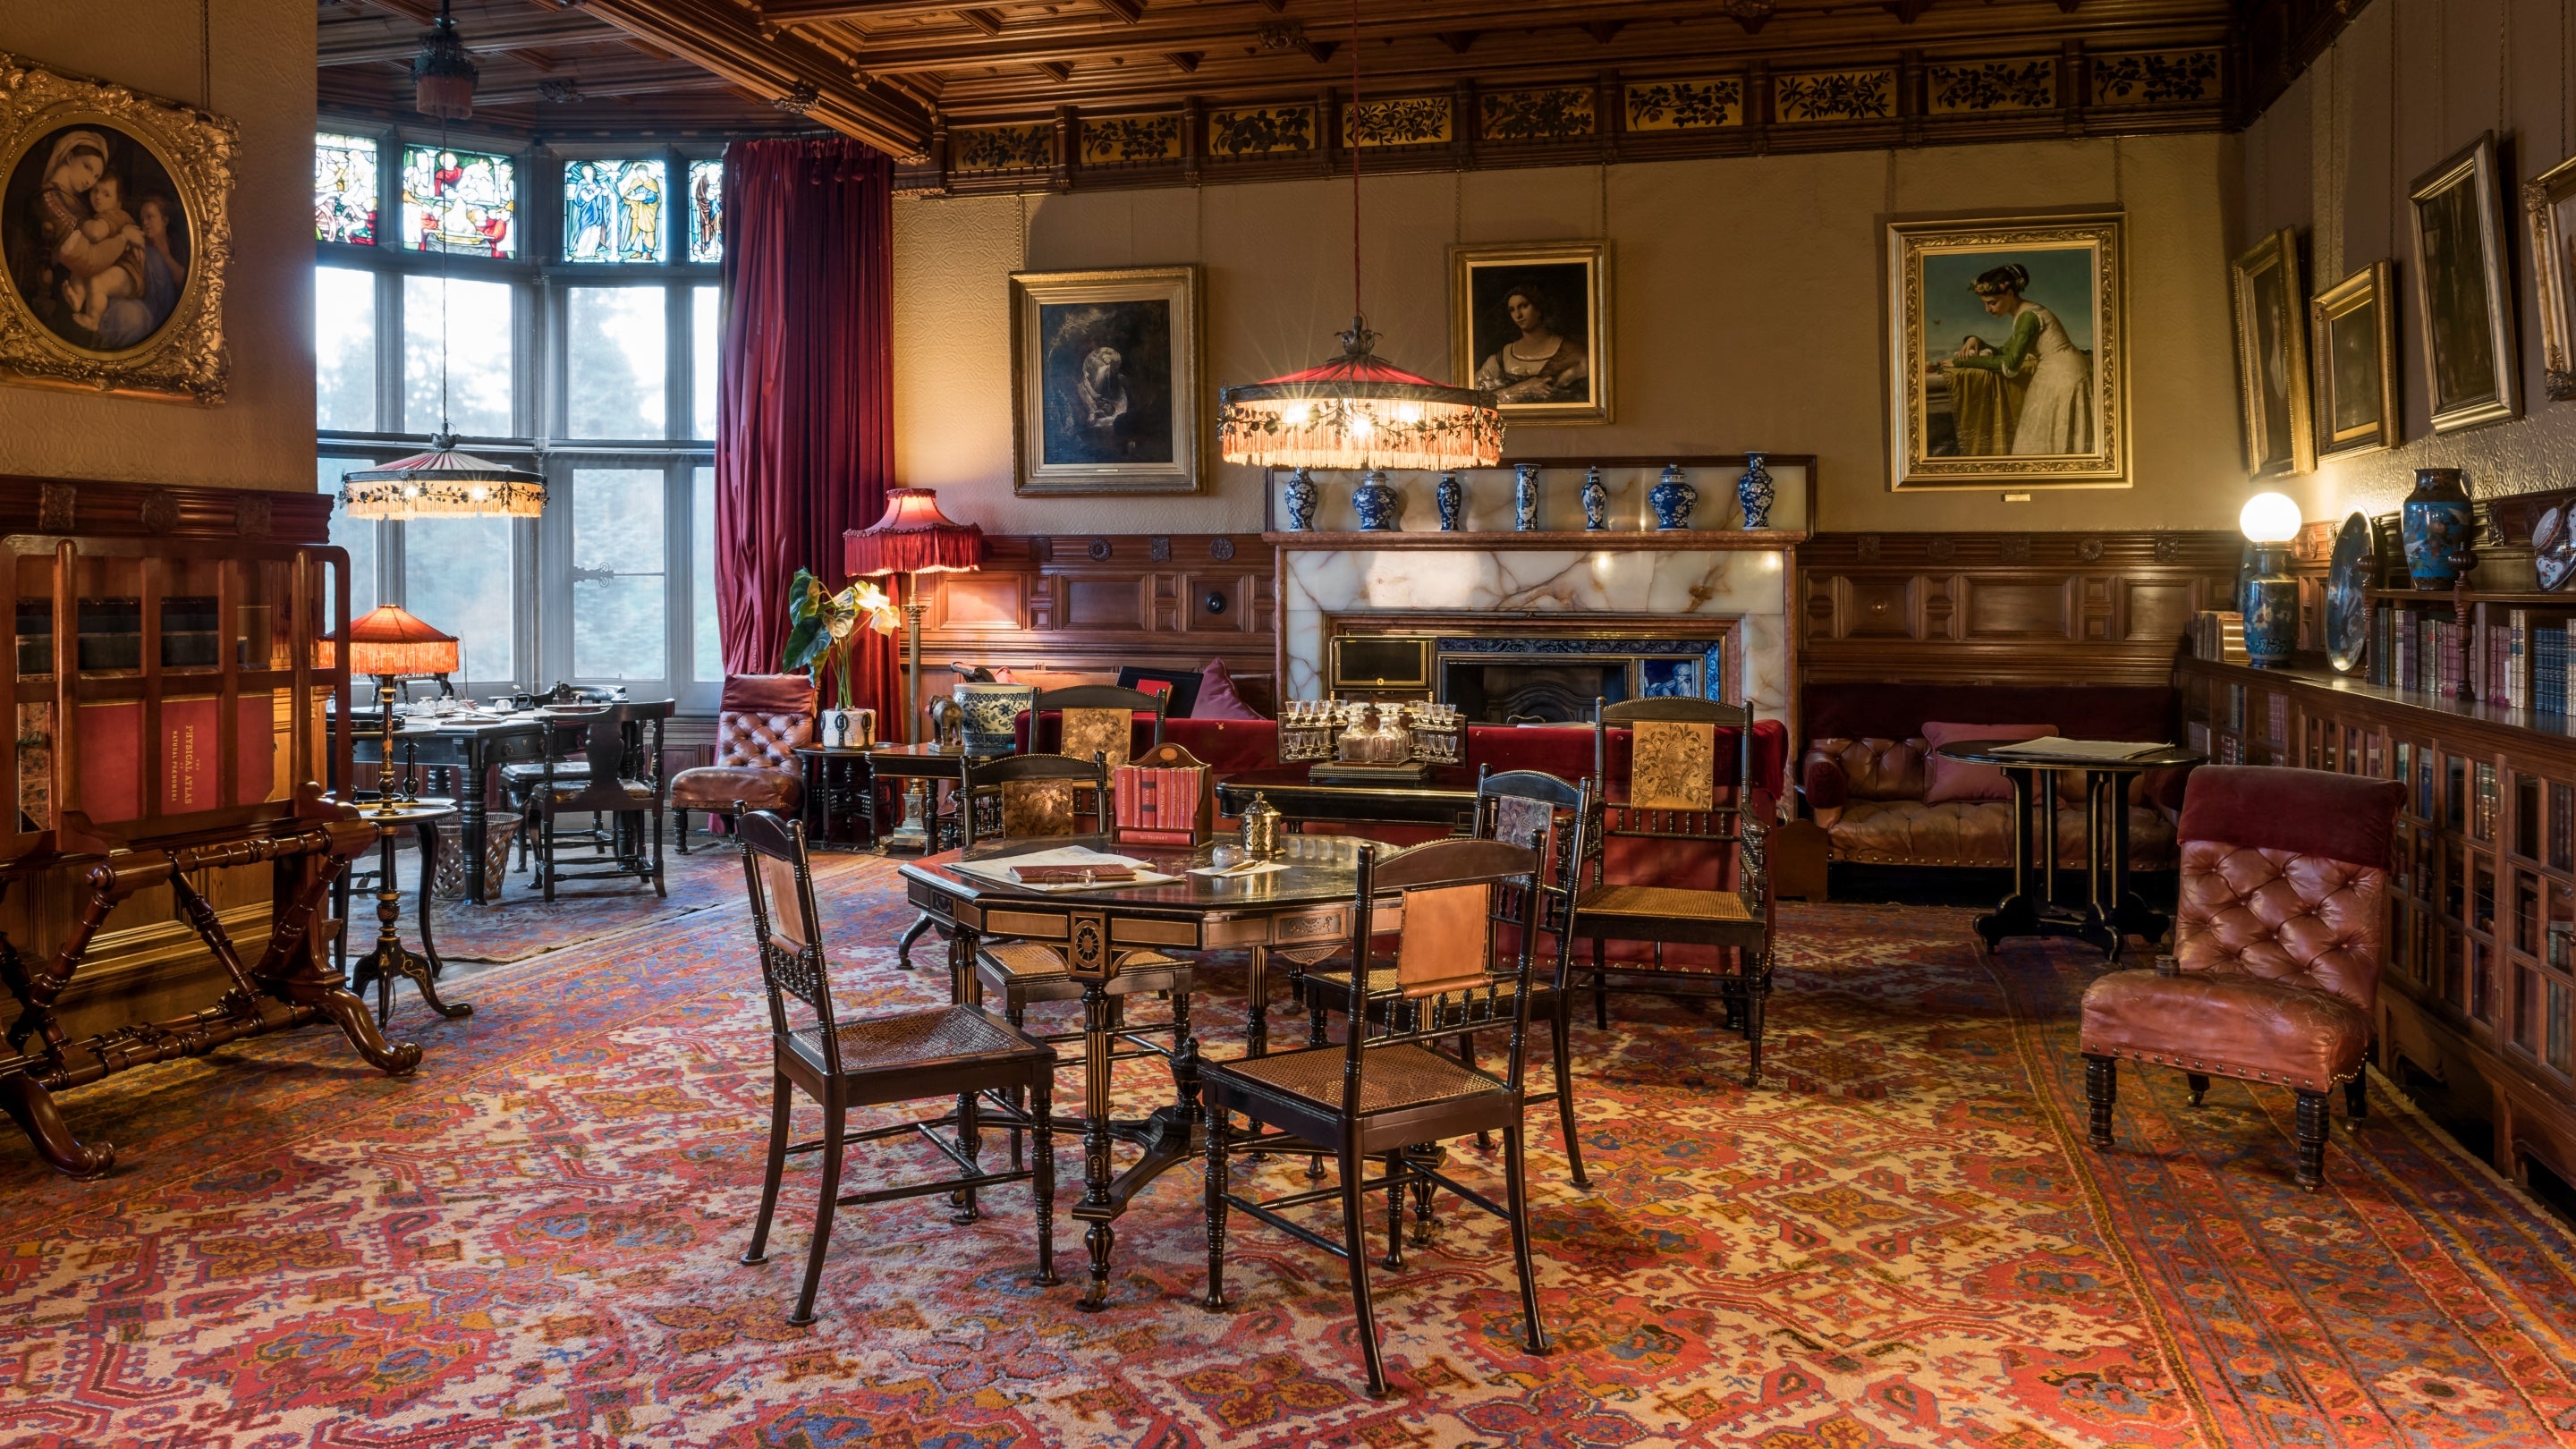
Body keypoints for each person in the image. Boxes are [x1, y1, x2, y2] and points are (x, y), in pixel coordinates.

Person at [1941, 262, 2093, 455]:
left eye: (1992, 302)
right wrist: (1975, 340)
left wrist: (1962, 362)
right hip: (2064, 370)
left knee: (2051, 440)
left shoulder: (2027, 318)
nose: (1987, 309)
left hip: (2063, 376)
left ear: (2010, 294)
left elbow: (2009, 367)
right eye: (1985, 303)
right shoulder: (2027, 313)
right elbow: (2005, 351)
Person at [1473, 280, 1589, 404]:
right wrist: (1526, 387)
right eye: (1512, 310)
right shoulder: (1502, 357)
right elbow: (1476, 398)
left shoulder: (1574, 353)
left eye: (1524, 306)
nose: (1518, 315)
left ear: (1539, 308)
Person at [59, 171, 144, 330]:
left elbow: (96, 232)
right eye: (96, 190)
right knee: (81, 265)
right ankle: (78, 297)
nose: (98, 197)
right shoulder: (102, 214)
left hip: (129, 272)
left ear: (118, 203)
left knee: (96, 281)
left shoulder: (116, 215)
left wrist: (80, 223)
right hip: (110, 264)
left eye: (106, 194)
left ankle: (93, 319)